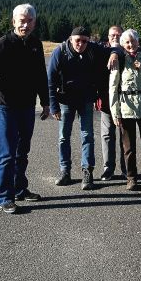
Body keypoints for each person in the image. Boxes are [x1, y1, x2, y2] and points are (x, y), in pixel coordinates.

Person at [0, 3, 50, 214]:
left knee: (22, 152)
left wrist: (45, 102)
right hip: (6, 107)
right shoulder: (2, 44)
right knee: (7, 154)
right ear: (14, 22)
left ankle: (20, 189)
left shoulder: (36, 45)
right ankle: (4, 197)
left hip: (27, 107)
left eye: (29, 21)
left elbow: (40, 76)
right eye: (21, 20)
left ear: (34, 23)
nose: (25, 25)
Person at [48, 26, 119, 190]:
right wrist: (53, 106)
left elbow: (114, 48)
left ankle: (87, 171)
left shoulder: (93, 49)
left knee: (87, 136)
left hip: (86, 99)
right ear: (70, 39)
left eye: (84, 41)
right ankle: (65, 171)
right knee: (63, 137)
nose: (81, 44)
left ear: (89, 41)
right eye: (77, 40)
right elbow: (50, 80)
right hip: (66, 100)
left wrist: (114, 53)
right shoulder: (60, 52)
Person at [109, 29, 141, 191]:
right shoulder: (119, 60)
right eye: (127, 42)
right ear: (123, 45)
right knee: (128, 147)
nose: (131, 45)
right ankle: (131, 179)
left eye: (133, 41)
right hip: (125, 109)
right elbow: (113, 88)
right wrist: (115, 112)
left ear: (138, 42)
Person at [95, 25, 126, 180]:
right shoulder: (102, 51)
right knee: (107, 135)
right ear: (108, 37)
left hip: (125, 103)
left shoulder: (128, 51)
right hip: (106, 102)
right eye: (112, 35)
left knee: (124, 136)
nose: (115, 37)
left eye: (118, 35)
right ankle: (108, 168)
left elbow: (118, 49)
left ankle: (126, 168)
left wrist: (115, 52)